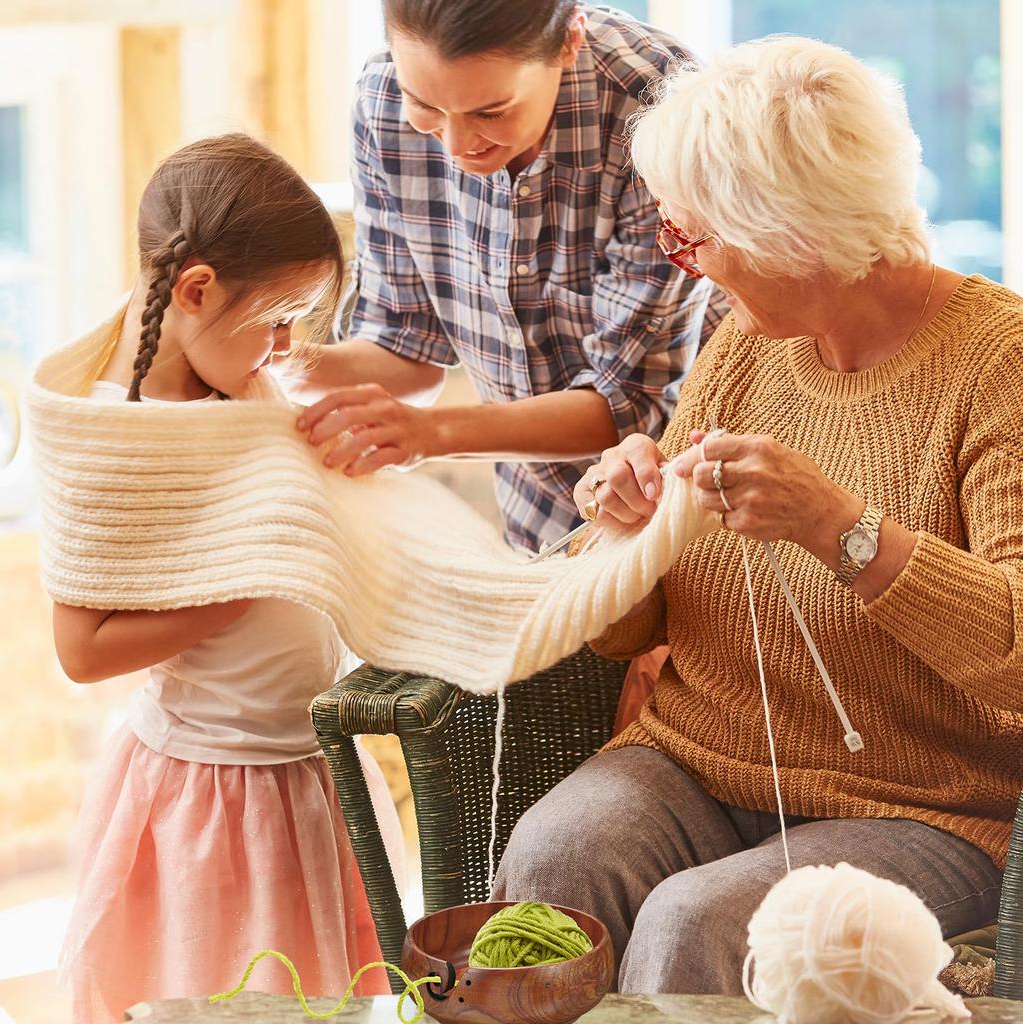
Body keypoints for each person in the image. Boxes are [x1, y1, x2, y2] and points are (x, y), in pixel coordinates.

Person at [493, 36, 1023, 994]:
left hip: (927, 811)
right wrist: (625, 535)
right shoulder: (745, 343)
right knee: (551, 861)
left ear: (795, 232)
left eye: (697, 238)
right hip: (697, 760)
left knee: (700, 922)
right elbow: (639, 628)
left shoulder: (999, 368)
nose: (687, 269)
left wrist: (841, 529)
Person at [50, 135, 402, 1023]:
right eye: (278, 318)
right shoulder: (115, 436)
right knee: (228, 1001)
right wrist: (243, 585)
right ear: (197, 289)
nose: (287, 346)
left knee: (329, 999)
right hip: (211, 798)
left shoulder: (246, 389)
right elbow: (82, 652)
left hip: (314, 777)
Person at [291, 0, 726, 554]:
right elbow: (405, 349)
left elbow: (628, 404)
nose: (455, 145)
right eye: (423, 104)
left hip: (684, 492)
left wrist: (431, 435)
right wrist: (271, 360)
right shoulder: (380, 104)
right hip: (536, 504)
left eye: (491, 112)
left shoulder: (656, 106)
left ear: (570, 40)